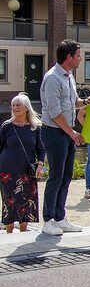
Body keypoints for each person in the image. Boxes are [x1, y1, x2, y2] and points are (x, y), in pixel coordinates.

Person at [40, 39, 89, 235]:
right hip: (55, 132)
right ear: (68, 57)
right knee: (56, 176)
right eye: (78, 55)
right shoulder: (52, 78)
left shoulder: (68, 77)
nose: (80, 59)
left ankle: (60, 217)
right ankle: (48, 220)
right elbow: (55, 112)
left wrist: (84, 102)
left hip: (66, 133)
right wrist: (73, 133)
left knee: (66, 176)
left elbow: (71, 102)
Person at [0, 94, 45, 233]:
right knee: (9, 202)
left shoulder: (35, 127)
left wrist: (40, 165)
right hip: (7, 171)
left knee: (26, 201)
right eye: (13, 105)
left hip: (27, 171)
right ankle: (9, 233)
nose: (15, 108)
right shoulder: (7, 126)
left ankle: (23, 232)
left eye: (18, 105)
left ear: (26, 108)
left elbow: (41, 149)